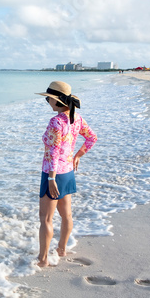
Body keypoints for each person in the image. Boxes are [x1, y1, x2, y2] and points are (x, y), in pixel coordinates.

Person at [35, 81, 97, 267]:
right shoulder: (76, 118)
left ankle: (43, 259)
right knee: (66, 215)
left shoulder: (55, 122)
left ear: (57, 101)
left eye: (49, 99)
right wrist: (78, 155)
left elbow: (53, 152)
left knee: (46, 218)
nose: (47, 101)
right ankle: (61, 250)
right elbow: (92, 137)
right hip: (68, 172)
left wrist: (51, 178)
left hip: (53, 174)